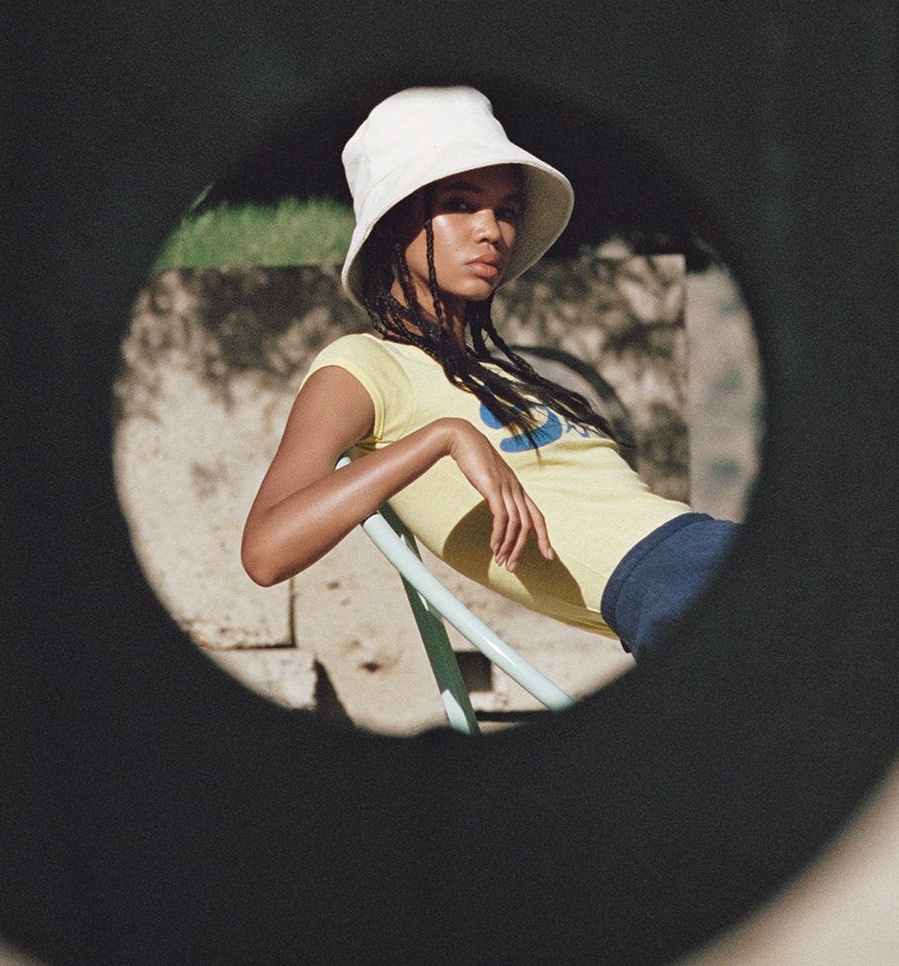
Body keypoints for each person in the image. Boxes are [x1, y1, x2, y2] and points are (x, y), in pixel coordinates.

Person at [242, 86, 737, 660]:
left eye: (507, 211)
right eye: (460, 204)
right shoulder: (365, 365)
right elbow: (265, 551)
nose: (491, 230)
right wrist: (443, 437)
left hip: (702, 549)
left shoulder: (505, 376)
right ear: (394, 221)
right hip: (664, 584)